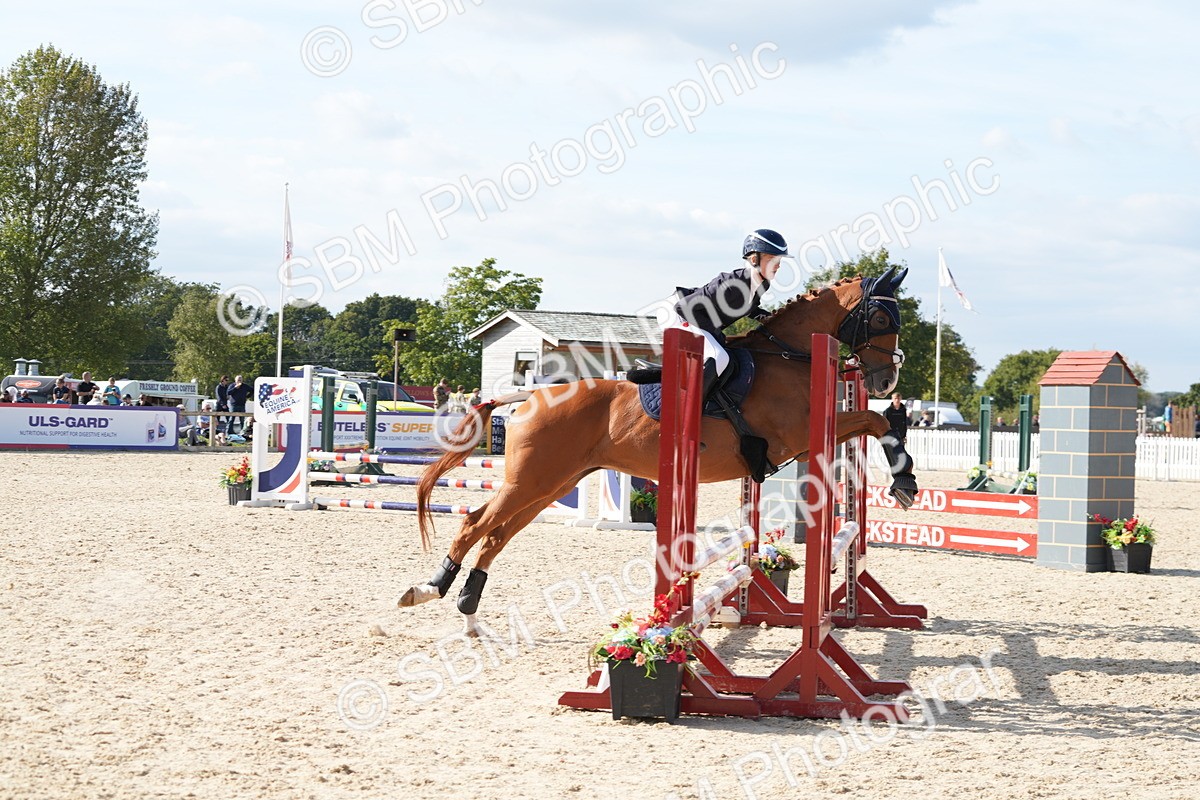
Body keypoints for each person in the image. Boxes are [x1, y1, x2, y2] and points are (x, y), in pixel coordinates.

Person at [670, 228, 789, 398]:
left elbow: (745, 307)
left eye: (779, 260)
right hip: (677, 313)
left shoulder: (763, 284)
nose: (778, 265)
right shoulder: (730, 283)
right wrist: (716, 333)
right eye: (772, 259)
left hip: (694, 315)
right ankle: (687, 405)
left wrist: (766, 316)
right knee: (720, 357)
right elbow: (683, 307)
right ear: (754, 259)